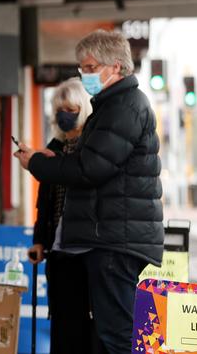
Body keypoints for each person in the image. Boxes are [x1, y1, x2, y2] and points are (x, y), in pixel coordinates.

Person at [15, 29, 163, 354]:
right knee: (111, 332)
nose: (86, 74)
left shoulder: (123, 107)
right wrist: (55, 160)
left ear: (116, 67)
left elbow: (90, 170)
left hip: (114, 238)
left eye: (92, 66)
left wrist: (37, 164)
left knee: (117, 335)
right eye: (83, 67)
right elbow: (91, 162)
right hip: (110, 235)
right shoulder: (113, 106)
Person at [27, 78, 93, 354]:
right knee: (62, 321)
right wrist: (39, 240)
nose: (64, 115)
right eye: (59, 109)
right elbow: (45, 203)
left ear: (84, 109)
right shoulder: (53, 147)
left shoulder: (91, 149)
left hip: (88, 249)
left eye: (71, 108)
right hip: (58, 250)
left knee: (86, 323)